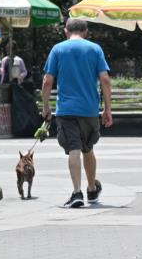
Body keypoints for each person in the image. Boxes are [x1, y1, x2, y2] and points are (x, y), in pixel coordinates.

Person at [41, 18, 113, 209]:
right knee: (87, 148)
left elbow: (47, 81)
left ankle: (76, 193)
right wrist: (107, 109)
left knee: (73, 149)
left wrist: (45, 106)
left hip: (66, 110)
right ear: (86, 31)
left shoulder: (58, 49)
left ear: (66, 31)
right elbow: (105, 79)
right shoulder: (95, 49)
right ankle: (91, 189)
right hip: (89, 110)